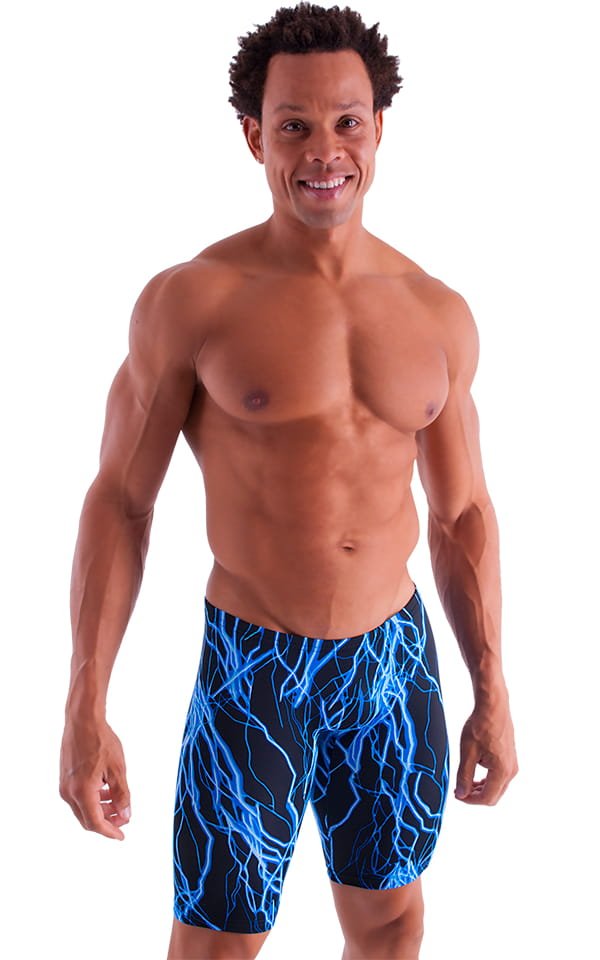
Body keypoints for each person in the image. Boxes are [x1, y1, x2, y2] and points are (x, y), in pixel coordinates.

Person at [59, 4, 518, 959]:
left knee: (392, 922)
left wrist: (493, 686)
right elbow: (121, 501)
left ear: (379, 127)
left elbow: (462, 513)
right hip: (254, 669)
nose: (324, 152)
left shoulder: (436, 314)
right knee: (218, 943)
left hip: (391, 667)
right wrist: (85, 701)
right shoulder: (193, 301)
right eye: (294, 125)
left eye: (347, 122)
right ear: (253, 135)